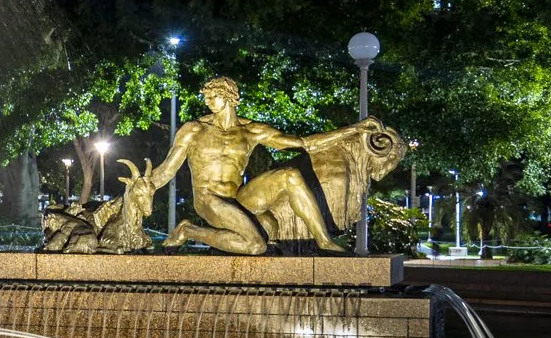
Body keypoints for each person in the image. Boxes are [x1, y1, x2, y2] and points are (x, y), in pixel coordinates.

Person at [150, 76, 381, 254]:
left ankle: (324, 241)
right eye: (206, 97)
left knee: (289, 175)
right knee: (256, 245)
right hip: (208, 199)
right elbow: (167, 169)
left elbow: (305, 144)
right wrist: (143, 186)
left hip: (239, 198)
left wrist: (354, 129)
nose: (208, 101)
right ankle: (188, 230)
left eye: (213, 96)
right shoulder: (194, 129)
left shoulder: (252, 130)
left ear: (229, 96)